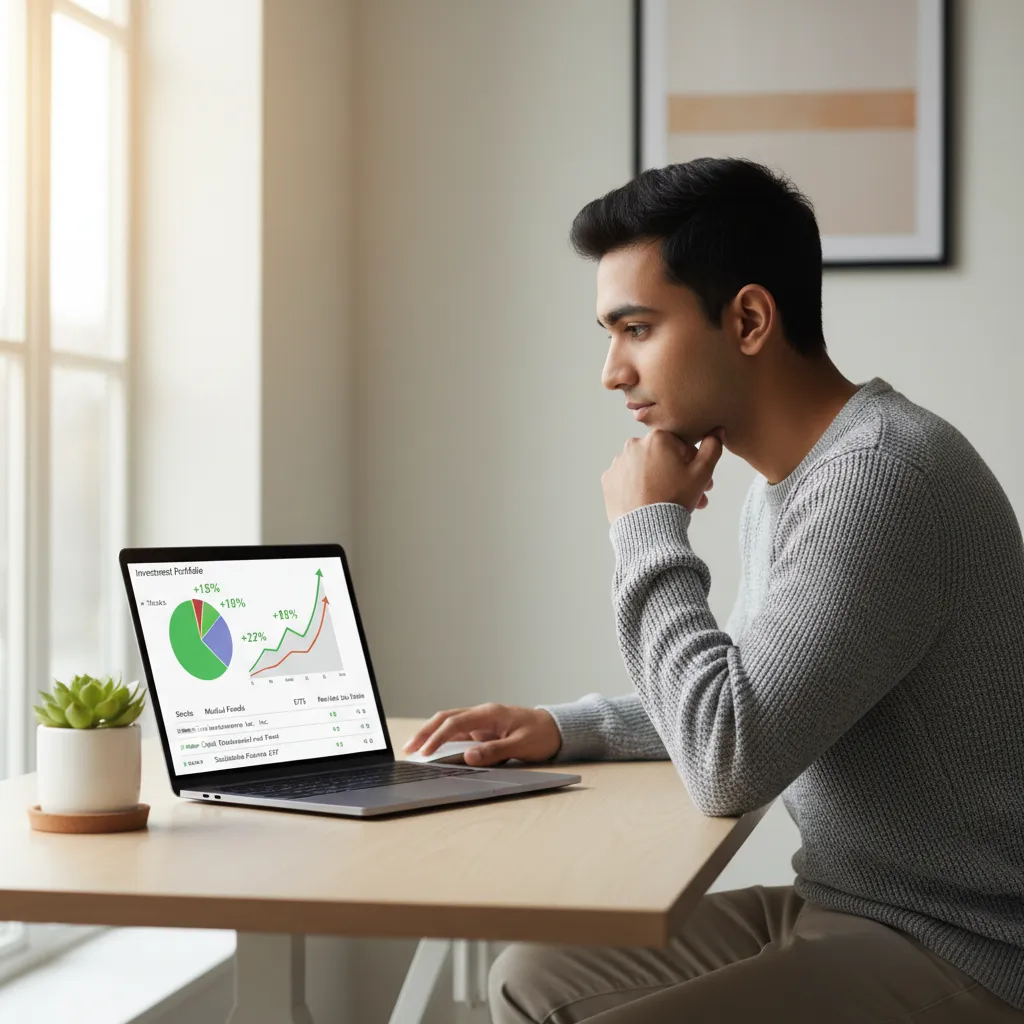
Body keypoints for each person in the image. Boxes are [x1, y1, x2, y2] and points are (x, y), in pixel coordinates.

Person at [403, 158, 1024, 1023]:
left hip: (966, 948)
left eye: (636, 328)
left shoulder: (880, 479)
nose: (612, 371)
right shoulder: (793, 481)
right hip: (849, 905)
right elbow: (746, 696)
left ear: (749, 319)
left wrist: (645, 528)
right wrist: (561, 727)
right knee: (532, 976)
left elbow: (728, 756)